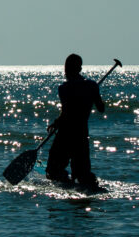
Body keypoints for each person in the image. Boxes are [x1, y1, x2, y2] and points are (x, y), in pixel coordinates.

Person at [45, 53, 105, 189]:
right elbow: (101, 108)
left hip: (65, 135)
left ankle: (66, 185)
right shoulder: (91, 86)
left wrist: (56, 123)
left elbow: (66, 114)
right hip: (81, 135)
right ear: (80, 69)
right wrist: (94, 94)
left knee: (53, 171)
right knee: (83, 175)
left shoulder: (64, 88)